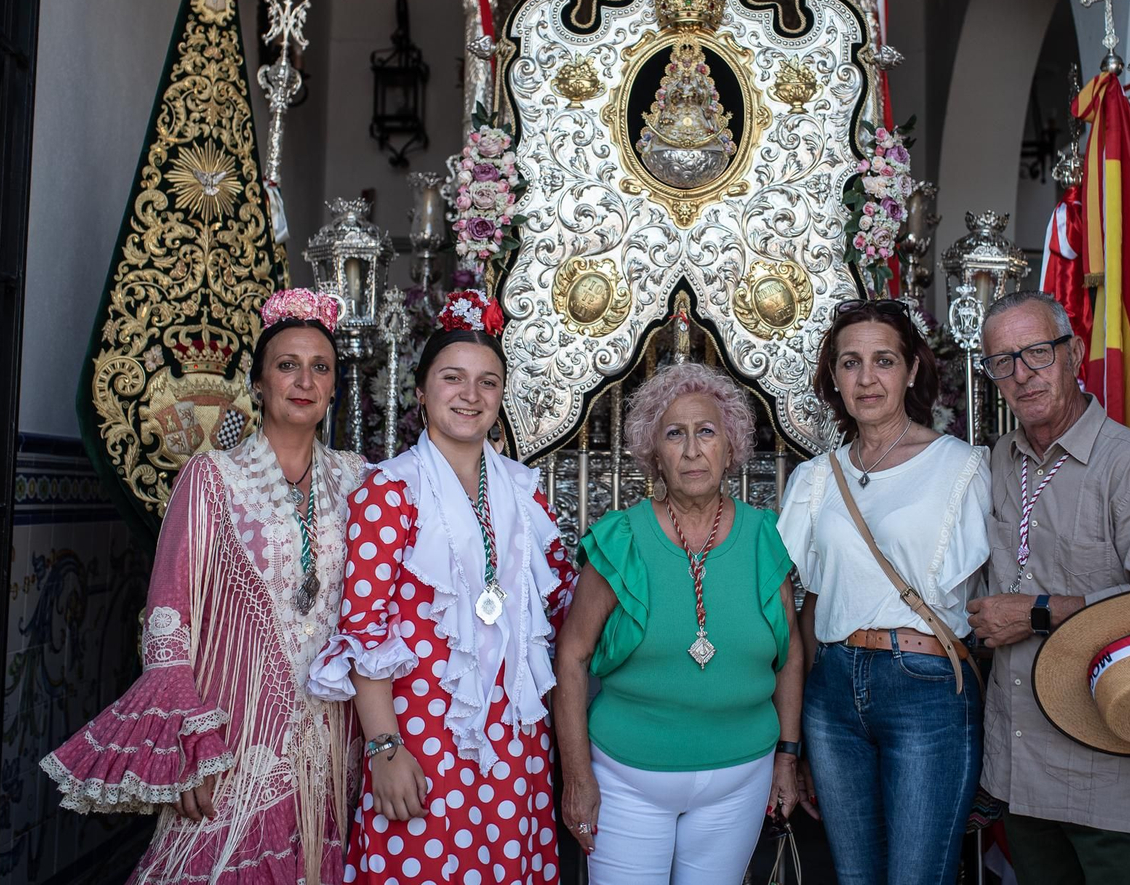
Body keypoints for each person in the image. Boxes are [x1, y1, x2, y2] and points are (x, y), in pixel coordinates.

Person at [41, 288, 368, 883]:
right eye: (287, 365)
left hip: (334, 735)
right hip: (236, 731)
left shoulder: (359, 480)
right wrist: (190, 744)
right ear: (258, 384)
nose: (304, 381)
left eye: (321, 368)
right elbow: (168, 617)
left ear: (333, 386)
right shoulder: (213, 477)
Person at [306, 289, 577, 885]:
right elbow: (364, 629)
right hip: (421, 736)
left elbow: (564, 607)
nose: (470, 395)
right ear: (422, 391)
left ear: (501, 397)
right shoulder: (390, 491)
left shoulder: (525, 491)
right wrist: (384, 748)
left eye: (487, 382)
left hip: (516, 742)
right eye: (453, 377)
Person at [965, 289, 1130, 883]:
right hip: (1021, 768)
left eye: (1037, 353)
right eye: (1002, 361)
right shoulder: (996, 462)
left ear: (1073, 354)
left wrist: (1038, 613)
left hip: (1110, 773)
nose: (1022, 374)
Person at [554, 361, 803, 885]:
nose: (692, 450)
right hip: (627, 779)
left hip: (740, 781)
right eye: (675, 434)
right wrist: (576, 775)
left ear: (730, 448)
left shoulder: (764, 536)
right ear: (654, 454)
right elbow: (572, 657)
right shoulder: (621, 539)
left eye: (706, 432)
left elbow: (790, 654)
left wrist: (787, 757)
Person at [776, 297, 991, 885]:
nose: (866, 378)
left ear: (912, 369)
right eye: (851, 363)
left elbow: (988, 595)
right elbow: (808, 606)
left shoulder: (961, 467)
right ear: (834, 377)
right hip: (832, 692)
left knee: (918, 875)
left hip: (924, 686)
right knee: (854, 876)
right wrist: (794, 736)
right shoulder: (816, 478)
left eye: (884, 361)